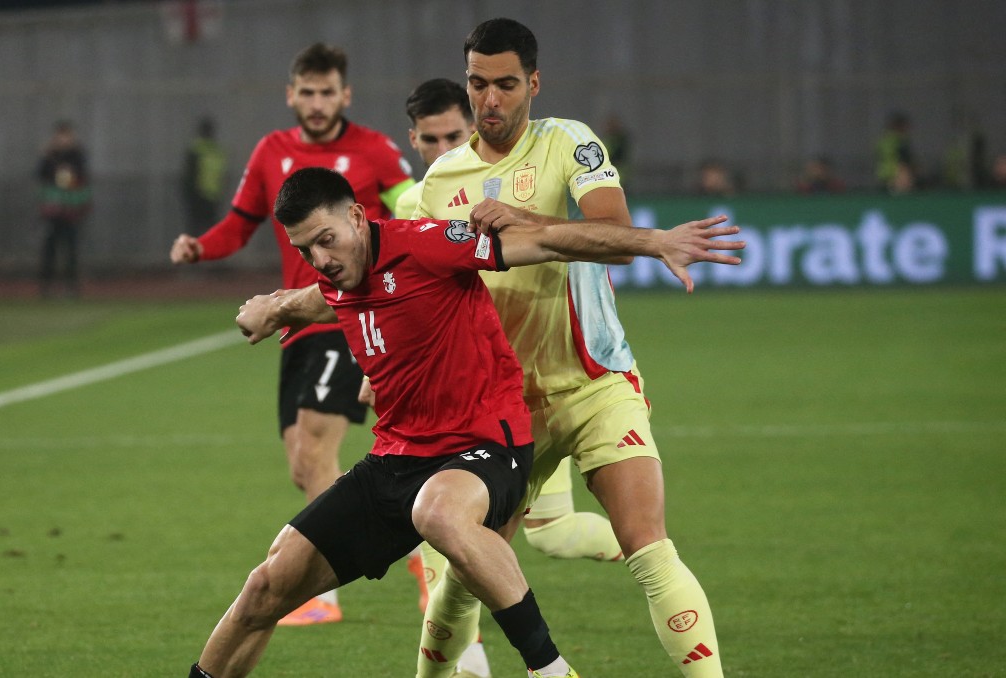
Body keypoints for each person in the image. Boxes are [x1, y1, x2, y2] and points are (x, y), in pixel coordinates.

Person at [194, 166, 740, 678]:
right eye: (304, 248)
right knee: (265, 587)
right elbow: (325, 297)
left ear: (357, 217)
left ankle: (551, 670)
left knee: (437, 512)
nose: (320, 257)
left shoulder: (427, 244)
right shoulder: (338, 274)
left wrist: (654, 242)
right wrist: (275, 305)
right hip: (395, 459)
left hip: (486, 445)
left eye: (326, 239)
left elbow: (548, 243)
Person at [405, 19, 726, 677]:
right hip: (504, 412)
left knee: (649, 545)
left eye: (505, 84)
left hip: (595, 384)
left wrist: (527, 220)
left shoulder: (568, 142)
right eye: (477, 84)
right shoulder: (439, 184)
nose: (489, 100)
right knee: (466, 573)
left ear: (533, 84)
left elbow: (613, 230)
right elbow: (424, 298)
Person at [168, 42, 415, 625]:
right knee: (302, 467)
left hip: (349, 316)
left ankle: (322, 594)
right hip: (297, 325)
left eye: (328, 91)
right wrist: (202, 246)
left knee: (314, 446)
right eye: (307, 91)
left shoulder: (375, 151)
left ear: (345, 95)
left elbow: (411, 209)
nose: (317, 102)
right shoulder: (271, 152)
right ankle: (414, 530)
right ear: (291, 95)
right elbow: (241, 223)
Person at [391, 76, 624, 676]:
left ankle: (642, 548)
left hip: (528, 398)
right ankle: (477, 664)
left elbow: (587, 240)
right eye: (432, 137)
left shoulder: (520, 166)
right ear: (412, 140)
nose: (446, 143)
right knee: (453, 540)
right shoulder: (418, 201)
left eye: (454, 132)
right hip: (465, 405)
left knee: (518, 537)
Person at [37, 120, 90, 298]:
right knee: (50, 248)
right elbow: (40, 175)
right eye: (60, 135)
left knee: (71, 248)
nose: (63, 139)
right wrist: (47, 156)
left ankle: (72, 286)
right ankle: (46, 285)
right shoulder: (49, 155)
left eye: (66, 135)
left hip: (71, 210)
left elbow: (82, 177)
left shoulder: (77, 155)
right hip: (53, 210)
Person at [183, 116, 227, 232]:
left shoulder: (196, 149)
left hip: (198, 195)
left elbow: (188, 176)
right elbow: (221, 175)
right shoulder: (217, 151)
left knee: (196, 229)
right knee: (210, 229)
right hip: (212, 196)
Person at [876, 111, 915, 194]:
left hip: (884, 174)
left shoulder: (883, 140)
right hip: (897, 176)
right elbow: (904, 161)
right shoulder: (900, 141)